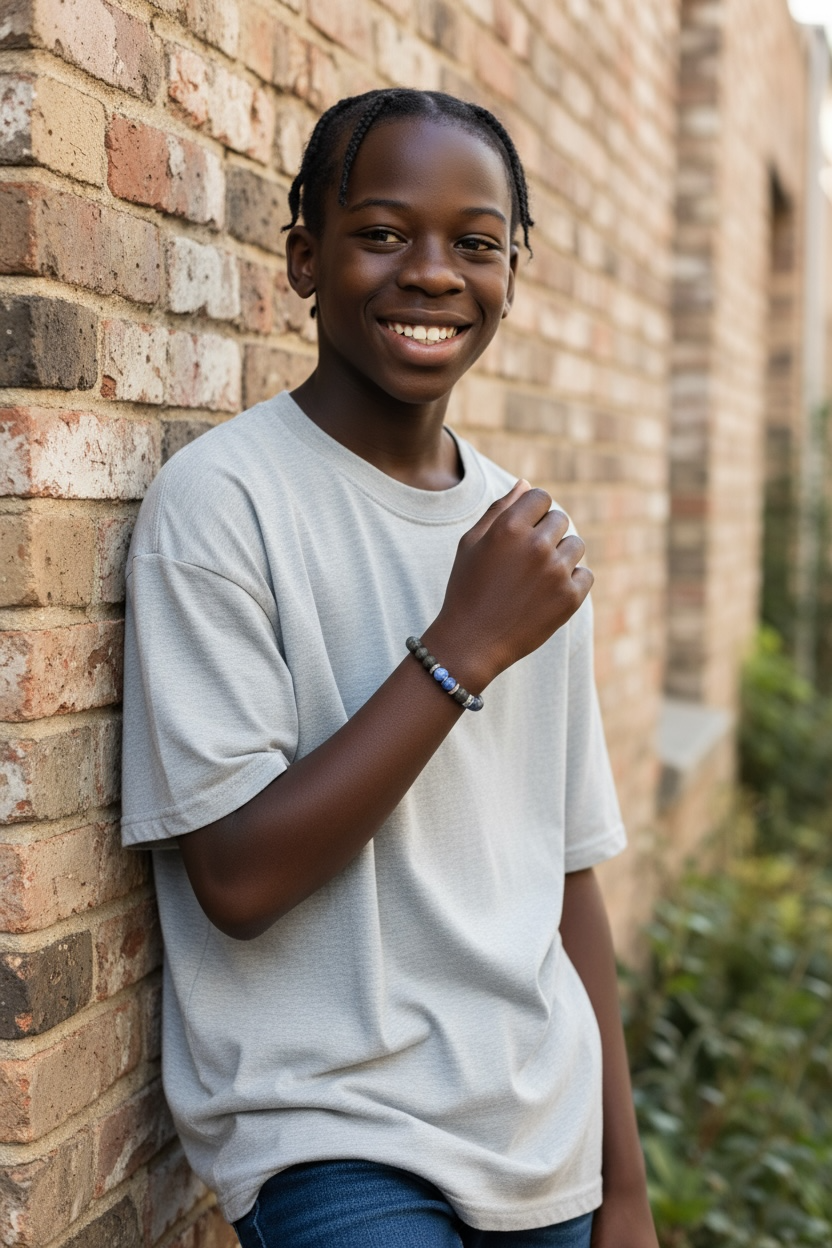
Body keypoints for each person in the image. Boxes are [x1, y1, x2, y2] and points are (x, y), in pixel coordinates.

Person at [121, 88, 658, 1248]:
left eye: (475, 244)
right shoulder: (223, 506)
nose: (432, 273)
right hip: (332, 1136)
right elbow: (240, 880)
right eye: (381, 234)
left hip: (539, 1135)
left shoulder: (528, 543)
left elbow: (566, 880)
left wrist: (623, 1191)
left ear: (510, 274)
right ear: (305, 259)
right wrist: (459, 649)